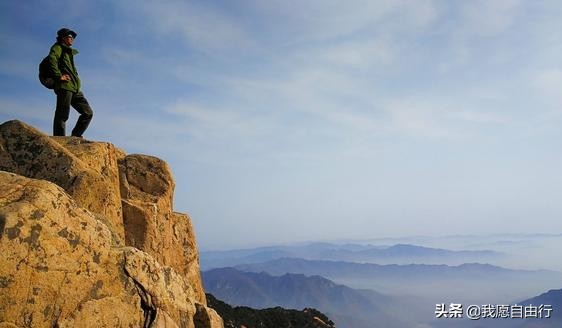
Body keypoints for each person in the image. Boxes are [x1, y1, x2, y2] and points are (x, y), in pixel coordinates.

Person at [48, 27, 93, 137]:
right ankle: (59, 138)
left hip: (74, 88)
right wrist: (59, 76)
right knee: (62, 114)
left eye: (73, 37)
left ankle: (75, 136)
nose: (72, 38)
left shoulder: (69, 52)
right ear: (62, 38)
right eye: (69, 36)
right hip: (64, 86)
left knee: (88, 113)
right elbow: (52, 59)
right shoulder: (58, 48)